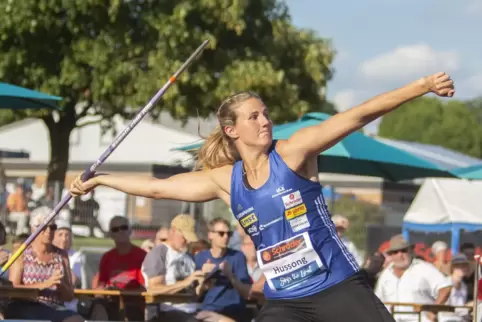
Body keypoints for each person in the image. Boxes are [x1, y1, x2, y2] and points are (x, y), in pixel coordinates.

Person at [70, 72, 455, 322]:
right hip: (285, 302)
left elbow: (357, 116)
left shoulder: (293, 153)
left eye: (265, 113)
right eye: (253, 116)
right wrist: (102, 179)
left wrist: (421, 87)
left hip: (337, 288)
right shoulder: (225, 179)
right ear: (231, 130)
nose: (265, 121)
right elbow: (158, 187)